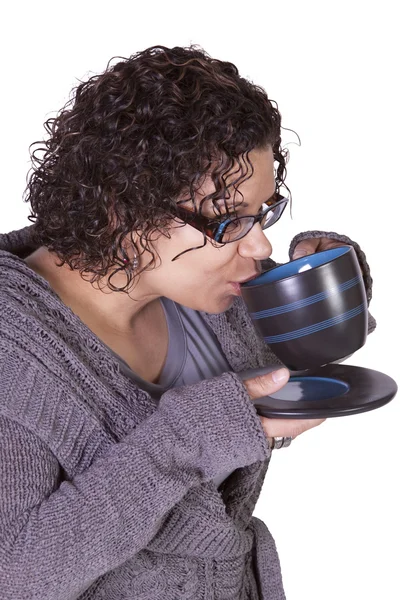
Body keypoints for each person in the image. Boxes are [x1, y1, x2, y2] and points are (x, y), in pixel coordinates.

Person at [0, 45, 375, 600]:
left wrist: (333, 277)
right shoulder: (14, 354)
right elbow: (17, 575)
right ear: (121, 208)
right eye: (228, 220)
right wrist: (192, 436)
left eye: (263, 212)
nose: (261, 244)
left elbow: (304, 354)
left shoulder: (203, 294)